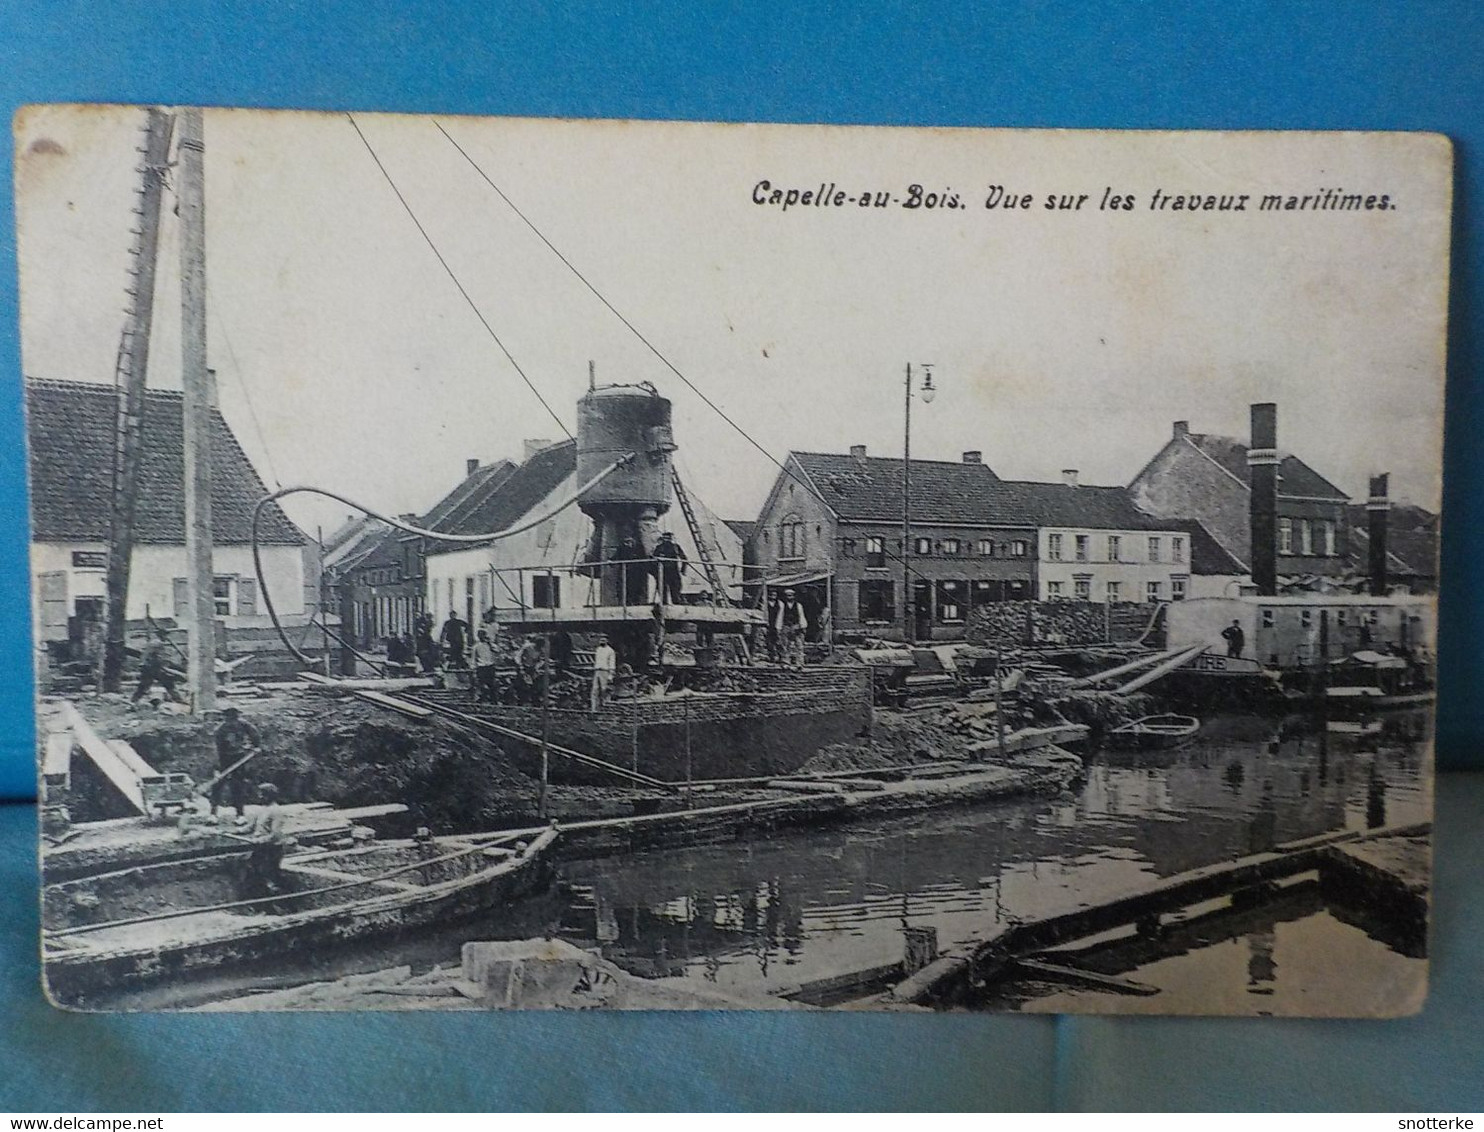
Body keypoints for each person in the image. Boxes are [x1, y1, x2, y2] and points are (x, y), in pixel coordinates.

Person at [212, 706, 261, 818]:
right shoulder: (220, 730)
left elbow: (255, 735)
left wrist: (256, 746)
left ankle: (240, 815)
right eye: (229, 718)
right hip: (223, 759)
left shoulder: (244, 725)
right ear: (225, 718)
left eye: (234, 718)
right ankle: (213, 814)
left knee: (237, 786)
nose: (231, 721)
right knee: (217, 785)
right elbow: (216, 750)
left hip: (239, 758)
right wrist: (217, 768)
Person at [243, 782, 291, 898]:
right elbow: (250, 826)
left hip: (272, 849)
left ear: (269, 796)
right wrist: (234, 831)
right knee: (254, 872)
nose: (259, 797)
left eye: (262, 795)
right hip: (260, 848)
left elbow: (275, 835)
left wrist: (261, 840)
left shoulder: (277, 811)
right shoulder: (261, 810)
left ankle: (279, 901)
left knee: (269, 875)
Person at [652, 531, 688, 605]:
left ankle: (675, 601)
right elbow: (654, 558)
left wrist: (683, 569)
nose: (667, 540)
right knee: (663, 586)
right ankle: (665, 602)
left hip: (672, 569)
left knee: (675, 586)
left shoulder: (675, 547)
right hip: (663, 570)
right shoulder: (660, 547)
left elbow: (683, 558)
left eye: (668, 538)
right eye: (665, 538)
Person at [775, 588, 808, 668]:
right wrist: (778, 627)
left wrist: (802, 626)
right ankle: (786, 662)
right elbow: (780, 616)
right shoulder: (782, 605)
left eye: (790, 595)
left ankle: (799, 663)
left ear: (793, 596)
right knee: (785, 645)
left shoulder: (798, 605)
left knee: (799, 645)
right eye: (787, 596)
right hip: (786, 626)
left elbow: (801, 616)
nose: (789, 597)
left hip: (796, 626)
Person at [618, 536, 649, 605]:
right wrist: (610, 560)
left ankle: (636, 601)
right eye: (626, 542)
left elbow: (643, 557)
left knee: (637, 586)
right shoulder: (622, 549)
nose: (628, 543)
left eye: (629, 541)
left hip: (636, 571)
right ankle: (627, 601)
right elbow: (617, 556)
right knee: (626, 586)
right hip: (626, 570)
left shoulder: (639, 548)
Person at [471, 628, 499, 701]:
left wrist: (490, 643)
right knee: (482, 683)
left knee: (492, 684)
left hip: (490, 666)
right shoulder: (476, 646)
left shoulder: (490, 645)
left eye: (484, 635)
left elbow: (497, 650)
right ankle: (483, 698)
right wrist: (473, 668)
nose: (483, 637)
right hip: (481, 667)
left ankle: (493, 699)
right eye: (481, 635)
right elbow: (473, 658)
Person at [591, 634, 617, 711]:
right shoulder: (598, 649)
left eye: (603, 640)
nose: (602, 641)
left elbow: (612, 663)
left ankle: (604, 705)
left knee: (603, 689)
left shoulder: (610, 651)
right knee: (595, 689)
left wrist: (610, 675)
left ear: (607, 641)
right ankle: (593, 708)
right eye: (601, 640)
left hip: (605, 671)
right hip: (597, 671)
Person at [765, 592, 782, 663]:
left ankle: (779, 656)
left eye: (774, 595)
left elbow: (781, 614)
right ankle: (772, 656)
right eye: (771, 595)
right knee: (769, 641)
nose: (773, 596)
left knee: (778, 641)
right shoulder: (765, 603)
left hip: (777, 623)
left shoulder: (780, 604)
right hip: (769, 624)